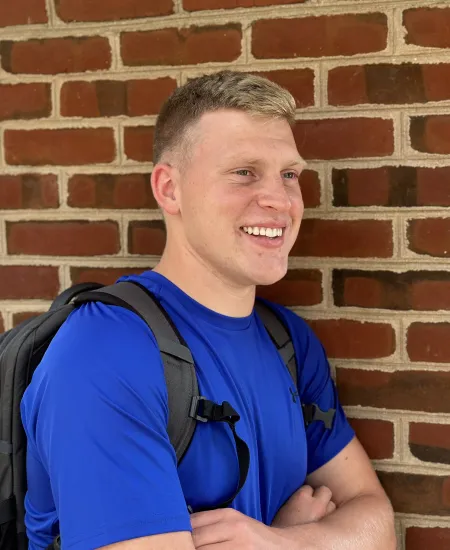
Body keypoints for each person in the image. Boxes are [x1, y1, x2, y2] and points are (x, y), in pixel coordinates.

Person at [21, 71, 396, 550]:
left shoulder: (289, 342)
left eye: (289, 174)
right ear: (169, 189)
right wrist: (311, 535)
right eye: (244, 172)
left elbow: (378, 524)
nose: (280, 200)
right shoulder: (104, 354)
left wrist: (281, 543)